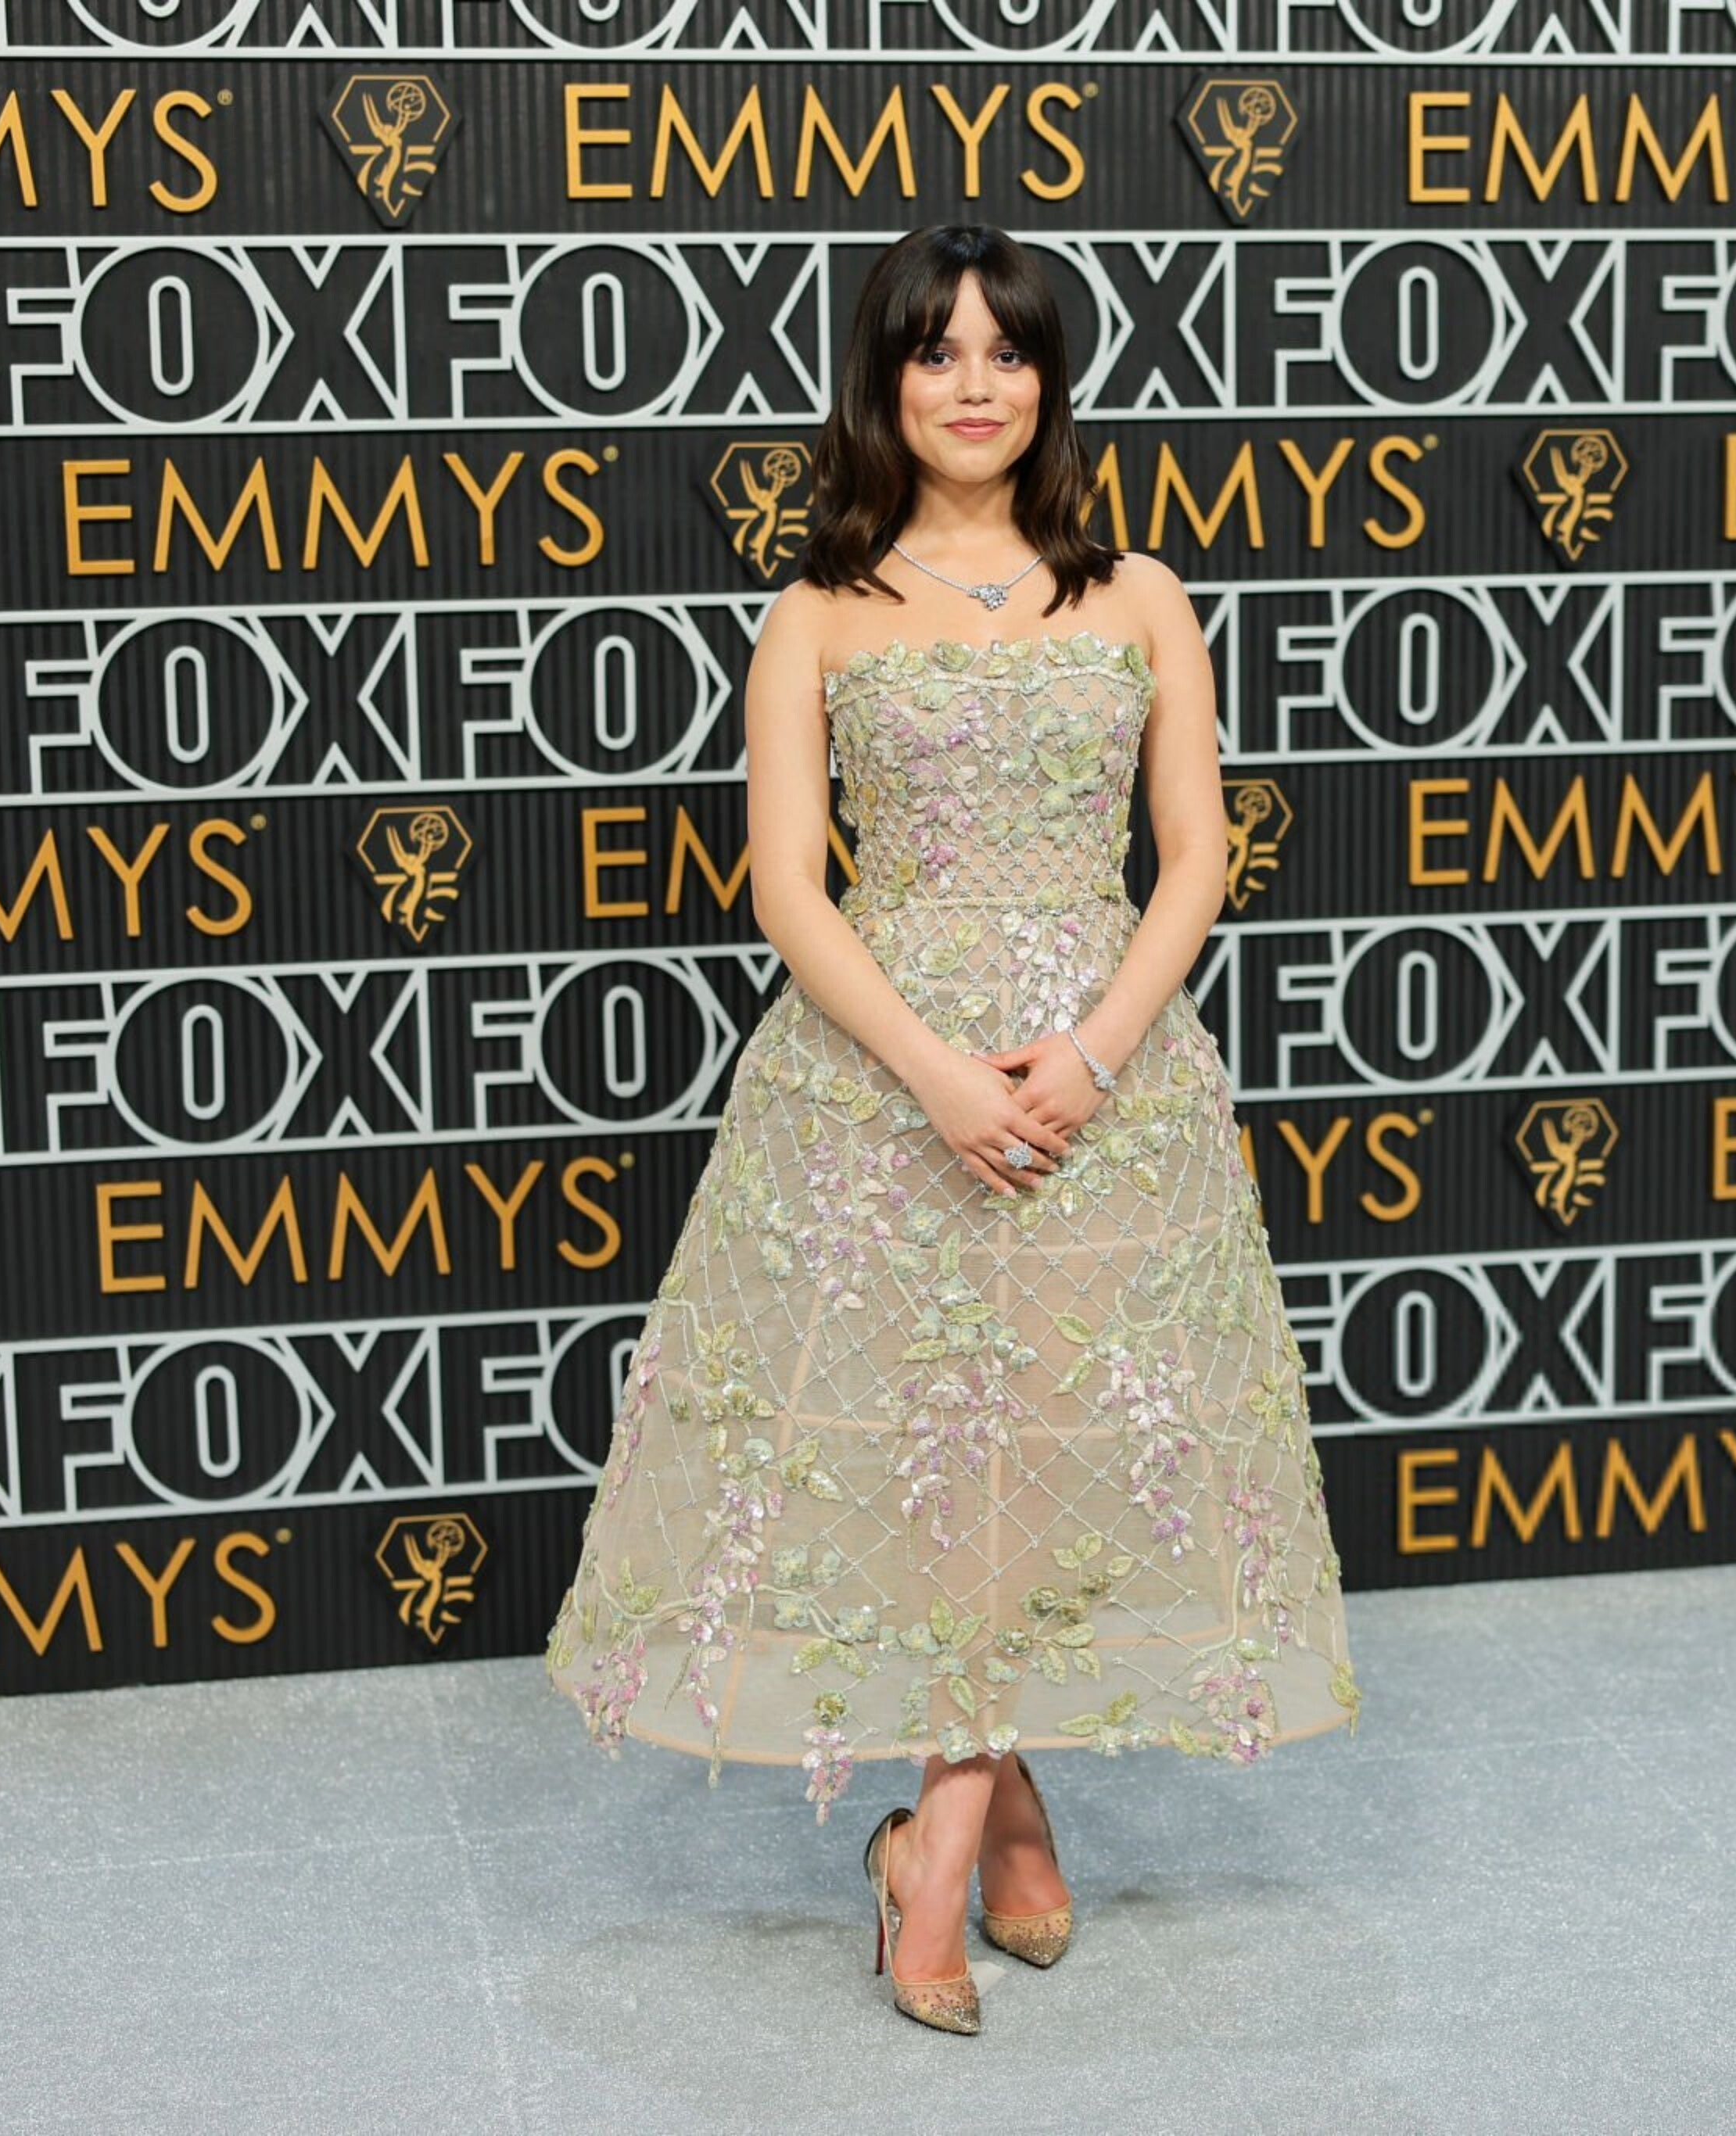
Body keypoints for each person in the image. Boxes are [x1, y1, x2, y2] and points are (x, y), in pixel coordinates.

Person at [540, 224, 1362, 2035]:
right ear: (886, 383)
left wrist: (1091, 1053)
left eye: (1006, 351)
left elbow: (1194, 856)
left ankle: (939, 1842)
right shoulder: (819, 609)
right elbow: (787, 887)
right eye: (936, 352)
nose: (973, 385)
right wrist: (932, 1072)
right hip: (877, 1088)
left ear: (1050, 382)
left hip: (1100, 1093)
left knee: (1044, 1442)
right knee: (939, 1457)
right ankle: (985, 1838)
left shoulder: (1139, 595)